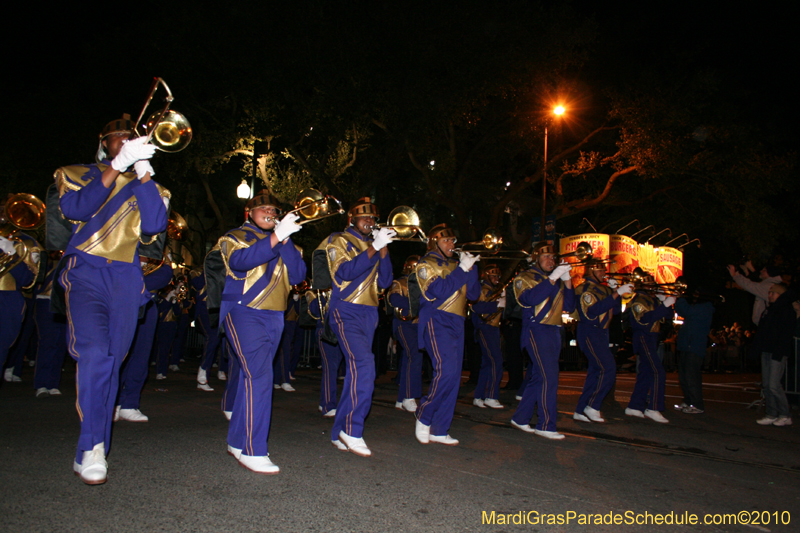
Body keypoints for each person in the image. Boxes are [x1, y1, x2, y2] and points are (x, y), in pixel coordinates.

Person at [56, 114, 169, 485]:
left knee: (111, 363)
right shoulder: (74, 173)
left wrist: (143, 173)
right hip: (86, 269)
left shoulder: (151, 185)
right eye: (118, 137)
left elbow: (154, 226)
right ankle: (93, 447)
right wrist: (117, 167)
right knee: (93, 353)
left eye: (131, 137)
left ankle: (92, 447)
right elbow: (74, 210)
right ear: (104, 142)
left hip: (125, 277)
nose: (125, 140)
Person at [217, 190, 305, 474]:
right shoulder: (234, 237)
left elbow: (300, 275)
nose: (269, 212)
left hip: (275, 315)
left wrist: (286, 238)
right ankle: (253, 449)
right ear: (249, 213)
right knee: (261, 375)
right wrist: (276, 237)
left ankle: (236, 442)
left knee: (251, 377)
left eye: (273, 209)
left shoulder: (285, 240)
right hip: (243, 311)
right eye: (262, 208)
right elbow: (239, 262)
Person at [325, 198, 395, 457]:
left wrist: (383, 249)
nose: (370, 221)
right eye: (364, 217)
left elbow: (386, 280)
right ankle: (352, 430)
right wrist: (374, 247)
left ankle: (338, 432)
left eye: (373, 218)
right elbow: (344, 272)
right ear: (351, 219)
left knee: (357, 372)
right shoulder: (339, 240)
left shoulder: (374, 246)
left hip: (369, 314)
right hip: (346, 310)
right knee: (365, 365)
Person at [414, 224, 480, 446]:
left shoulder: (457, 264)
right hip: (437, 318)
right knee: (446, 371)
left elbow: (474, 293)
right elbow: (438, 291)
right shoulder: (426, 263)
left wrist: (471, 268)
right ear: (434, 243)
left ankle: (440, 428)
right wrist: (462, 269)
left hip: (458, 321)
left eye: (453, 240)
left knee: (454, 376)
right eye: (446, 241)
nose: (452, 244)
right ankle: (424, 413)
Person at [509, 242, 574, 440]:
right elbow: (529, 299)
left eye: (553, 257)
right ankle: (545, 424)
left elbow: (569, 306)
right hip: (536, 330)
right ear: (536, 258)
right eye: (546, 257)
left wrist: (568, 280)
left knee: (539, 377)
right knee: (549, 377)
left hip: (553, 331)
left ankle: (521, 418)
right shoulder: (525, 277)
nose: (551, 260)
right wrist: (554, 278)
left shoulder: (552, 279)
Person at [572, 260, 631, 423]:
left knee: (595, 372)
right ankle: (593, 406)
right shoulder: (583, 288)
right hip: (590, 331)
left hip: (602, 333)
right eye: (600, 271)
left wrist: (614, 291)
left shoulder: (604, 289)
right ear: (591, 271)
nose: (604, 273)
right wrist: (616, 292)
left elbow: (616, 310)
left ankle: (581, 410)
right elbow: (592, 311)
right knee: (608, 368)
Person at [114, 259, 173, 420]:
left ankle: (130, 402)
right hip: (121, 302)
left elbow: (166, 274)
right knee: (119, 355)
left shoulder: (156, 252)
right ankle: (113, 402)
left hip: (146, 303)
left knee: (141, 355)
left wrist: (132, 282)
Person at [624, 279, 675, 424]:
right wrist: (663, 304)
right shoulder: (639, 300)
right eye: (649, 284)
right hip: (643, 337)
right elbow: (644, 320)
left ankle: (634, 406)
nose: (653, 286)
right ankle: (653, 407)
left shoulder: (650, 299)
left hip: (652, 338)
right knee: (658, 372)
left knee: (645, 373)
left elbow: (668, 318)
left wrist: (664, 302)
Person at [750, 283, 796, 427]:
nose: (770, 295)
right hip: (767, 350)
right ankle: (771, 413)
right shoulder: (768, 310)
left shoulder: (786, 310)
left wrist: (780, 352)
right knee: (767, 384)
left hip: (777, 352)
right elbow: (762, 332)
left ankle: (784, 414)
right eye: (770, 293)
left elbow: (785, 334)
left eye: (773, 293)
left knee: (774, 385)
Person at [387, 255, 422, 413]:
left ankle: (401, 399)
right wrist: (416, 304)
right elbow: (394, 298)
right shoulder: (400, 282)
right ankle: (409, 396)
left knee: (410, 359)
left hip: (418, 324)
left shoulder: (424, 284)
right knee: (414, 356)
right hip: (404, 323)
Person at [470, 264, 506, 409]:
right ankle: (491, 395)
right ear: (486, 276)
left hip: (493, 328)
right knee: (496, 361)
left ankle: (479, 396)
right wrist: (498, 303)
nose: (496, 278)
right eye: (493, 275)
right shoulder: (482, 289)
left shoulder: (492, 290)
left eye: (497, 276)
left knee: (487, 364)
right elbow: (477, 308)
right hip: (485, 327)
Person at [674, 289, 715, 414]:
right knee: (683, 376)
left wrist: (679, 298)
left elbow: (686, 311)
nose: (694, 295)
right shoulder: (698, 306)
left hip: (695, 346)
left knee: (692, 376)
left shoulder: (706, 307)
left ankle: (697, 404)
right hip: (687, 345)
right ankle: (688, 400)